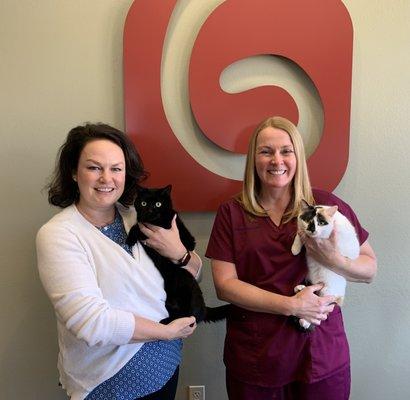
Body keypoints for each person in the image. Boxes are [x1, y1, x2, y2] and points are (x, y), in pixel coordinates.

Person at [205, 116, 377, 400]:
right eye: (266, 151)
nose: (277, 160)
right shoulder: (231, 213)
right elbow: (225, 285)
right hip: (257, 357)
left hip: (321, 355)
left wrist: (335, 259)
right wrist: (291, 306)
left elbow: (369, 269)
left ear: (298, 156)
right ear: (253, 159)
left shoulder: (326, 207)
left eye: (286, 150)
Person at [36, 123, 202, 400]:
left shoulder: (137, 216)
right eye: (93, 168)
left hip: (166, 369)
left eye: (116, 168)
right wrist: (164, 332)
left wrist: (180, 254)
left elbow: (193, 274)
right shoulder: (59, 235)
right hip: (109, 384)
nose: (106, 179)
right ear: (73, 173)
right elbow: (91, 323)